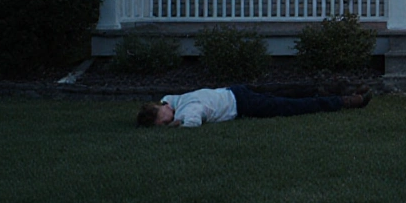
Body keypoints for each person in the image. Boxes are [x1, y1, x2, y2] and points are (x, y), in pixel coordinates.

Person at [136, 84, 369, 128]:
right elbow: (191, 120)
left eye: (162, 116)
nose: (166, 119)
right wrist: (173, 119)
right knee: (288, 99)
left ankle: (344, 98)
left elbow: (191, 120)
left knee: (288, 101)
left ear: (161, 107)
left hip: (241, 98)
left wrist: (173, 123)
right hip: (238, 95)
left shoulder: (183, 107)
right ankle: (346, 98)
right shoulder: (182, 107)